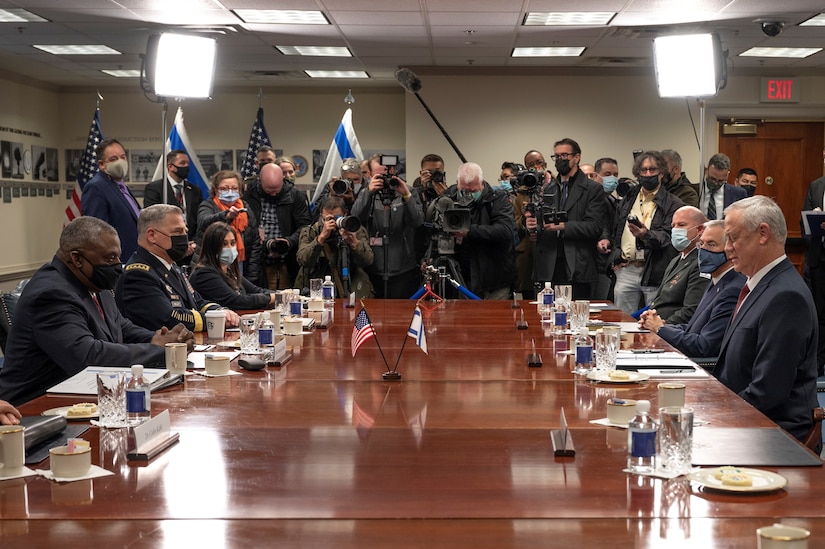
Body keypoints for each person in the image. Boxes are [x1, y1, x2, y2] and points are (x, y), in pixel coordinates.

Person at [0, 216, 194, 406]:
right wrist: (159, 350)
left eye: (118, 256)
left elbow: (121, 327)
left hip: (86, 397)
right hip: (32, 409)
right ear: (77, 258)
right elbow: (87, 356)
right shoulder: (51, 293)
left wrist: (157, 338)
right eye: (110, 258)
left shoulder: (93, 281)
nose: (118, 265)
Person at [716, 195, 818, 442]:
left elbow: (768, 393)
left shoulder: (786, 295)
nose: (726, 247)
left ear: (763, 233)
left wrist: (712, 415)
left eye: (733, 237)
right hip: (744, 420)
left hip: (772, 435)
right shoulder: (759, 285)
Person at [116, 204, 239, 333]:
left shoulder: (172, 266)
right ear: (152, 235)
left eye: (185, 231)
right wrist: (215, 319)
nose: (184, 237)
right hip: (158, 350)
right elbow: (168, 318)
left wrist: (220, 311)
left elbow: (196, 300)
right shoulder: (138, 274)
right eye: (177, 232)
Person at [639, 220, 746, 358]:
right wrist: (659, 325)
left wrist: (660, 329)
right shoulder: (716, 282)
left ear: (731, 250)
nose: (703, 250)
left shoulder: (732, 289)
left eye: (711, 244)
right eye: (701, 244)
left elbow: (705, 345)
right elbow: (693, 328)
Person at [525, 138, 605, 300]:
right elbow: (541, 224)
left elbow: (595, 226)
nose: (560, 160)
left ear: (577, 157)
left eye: (564, 155)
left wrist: (564, 226)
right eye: (556, 156)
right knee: (545, 315)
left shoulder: (593, 189)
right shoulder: (549, 188)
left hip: (577, 264)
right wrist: (532, 225)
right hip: (548, 265)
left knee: (576, 317)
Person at [609, 150, 684, 315]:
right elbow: (616, 230)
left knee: (653, 321)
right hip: (627, 269)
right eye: (644, 170)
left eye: (652, 170)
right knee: (622, 320)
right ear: (638, 173)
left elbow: (668, 237)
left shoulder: (673, 203)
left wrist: (646, 235)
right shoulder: (629, 198)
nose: (648, 174)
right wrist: (615, 256)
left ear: (661, 173)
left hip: (654, 270)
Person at [350, 153, 424, 299]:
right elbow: (356, 219)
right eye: (380, 175)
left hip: (403, 269)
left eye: (388, 173)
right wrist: (369, 193)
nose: (385, 179)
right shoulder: (366, 193)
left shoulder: (407, 191)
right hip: (372, 269)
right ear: (370, 174)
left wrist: (406, 196)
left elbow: (417, 222)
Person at [438, 162, 516, 299]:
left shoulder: (498, 199)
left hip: (493, 280)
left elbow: (505, 231)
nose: (467, 194)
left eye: (472, 191)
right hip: (461, 278)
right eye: (463, 190)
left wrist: (469, 231)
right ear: (457, 183)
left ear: (482, 184)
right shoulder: (448, 198)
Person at [244, 162, 312, 290]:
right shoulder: (249, 195)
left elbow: (305, 227)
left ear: (283, 180)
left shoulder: (296, 196)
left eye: (277, 190)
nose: (274, 194)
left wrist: (288, 242)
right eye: (269, 190)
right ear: (260, 181)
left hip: (288, 261)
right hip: (257, 260)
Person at [295, 196, 374, 299]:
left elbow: (368, 260)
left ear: (345, 214)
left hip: (350, 283)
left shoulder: (354, 229)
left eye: (337, 218)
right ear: (321, 216)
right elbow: (302, 260)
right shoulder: (310, 232)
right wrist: (321, 238)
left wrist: (354, 243)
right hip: (316, 285)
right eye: (327, 219)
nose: (332, 222)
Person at [640, 206, 708, 323]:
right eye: (673, 226)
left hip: (671, 330)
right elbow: (659, 301)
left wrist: (660, 326)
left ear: (700, 229)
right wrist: (645, 317)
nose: (675, 230)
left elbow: (691, 310)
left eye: (681, 225)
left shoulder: (701, 262)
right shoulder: (675, 260)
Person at [189, 222, 276, 310]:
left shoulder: (229, 270)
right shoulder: (204, 274)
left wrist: (281, 294)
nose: (230, 248)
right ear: (212, 247)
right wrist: (271, 298)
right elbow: (236, 301)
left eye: (233, 243)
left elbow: (256, 290)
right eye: (224, 244)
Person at [196, 170, 262, 283]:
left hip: (241, 264)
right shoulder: (208, 205)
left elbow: (254, 241)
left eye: (234, 188)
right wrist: (226, 215)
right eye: (224, 188)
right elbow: (203, 222)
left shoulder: (245, 207)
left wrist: (252, 276)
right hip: (213, 263)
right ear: (216, 190)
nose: (230, 192)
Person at [81, 139, 141, 261]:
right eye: (113, 159)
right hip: (117, 261)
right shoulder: (96, 187)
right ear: (102, 164)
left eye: (123, 157)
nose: (120, 162)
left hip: (134, 258)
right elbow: (96, 233)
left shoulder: (121, 186)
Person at [143, 149, 203, 267]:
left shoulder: (195, 190)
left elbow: (199, 220)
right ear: (170, 166)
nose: (186, 166)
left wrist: (192, 244)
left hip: (192, 250)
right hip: (167, 248)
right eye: (182, 163)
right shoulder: (156, 188)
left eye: (187, 163)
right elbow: (153, 220)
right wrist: (179, 245)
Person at [513, 150, 552, 299]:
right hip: (528, 253)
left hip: (551, 249)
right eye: (530, 165)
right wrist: (524, 220)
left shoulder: (556, 187)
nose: (535, 167)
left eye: (538, 163)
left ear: (545, 164)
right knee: (528, 298)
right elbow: (514, 224)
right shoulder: (521, 193)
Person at [802, 165, 825, 375]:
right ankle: (818, 361)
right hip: (819, 258)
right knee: (818, 314)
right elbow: (805, 223)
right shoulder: (816, 185)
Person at [592, 157, 620, 301]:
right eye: (607, 174)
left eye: (615, 175)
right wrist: (604, 238)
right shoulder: (593, 199)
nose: (613, 179)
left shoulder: (612, 200)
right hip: (596, 263)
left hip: (608, 263)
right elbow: (602, 224)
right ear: (596, 175)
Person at [699, 153, 747, 220]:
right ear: (706, 171)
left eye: (720, 181)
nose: (715, 183)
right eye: (712, 179)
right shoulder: (695, 191)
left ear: (727, 175)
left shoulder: (738, 194)